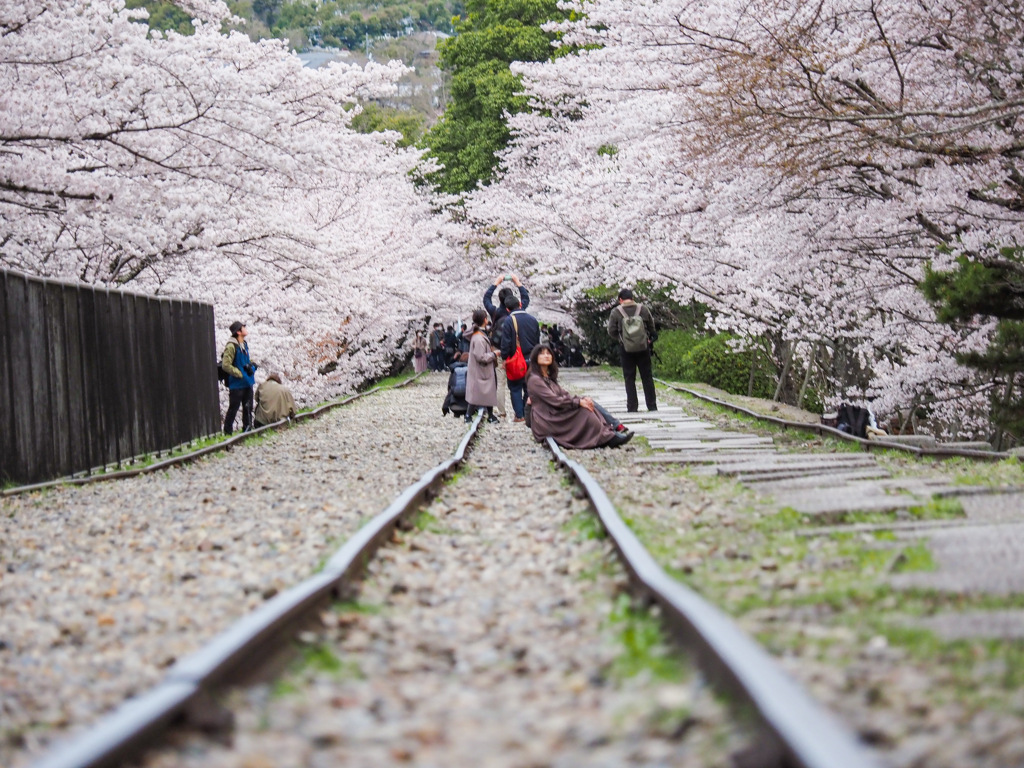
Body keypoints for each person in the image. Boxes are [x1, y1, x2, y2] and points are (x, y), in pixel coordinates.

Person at [525, 345, 633, 448]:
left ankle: (608, 434)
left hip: (553, 413)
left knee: (588, 403)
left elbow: (564, 394)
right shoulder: (535, 380)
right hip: (547, 420)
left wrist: (581, 400)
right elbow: (554, 400)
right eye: (542, 354)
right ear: (535, 358)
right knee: (584, 411)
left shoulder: (548, 378)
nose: (546, 356)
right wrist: (578, 402)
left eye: (548, 353)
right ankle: (606, 436)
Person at [484, 274, 530, 419]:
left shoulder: (495, 312)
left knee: (501, 381)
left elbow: (486, 299)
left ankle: (502, 411)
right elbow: (526, 298)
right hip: (518, 351)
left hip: (498, 351)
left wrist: (495, 283)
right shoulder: (519, 310)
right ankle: (521, 411)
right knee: (522, 381)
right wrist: (518, 282)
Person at [607, 288, 657, 412]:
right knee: (647, 377)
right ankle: (652, 406)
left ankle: (632, 407)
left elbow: (611, 331)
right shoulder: (643, 309)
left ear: (620, 300)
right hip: (643, 347)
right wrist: (648, 339)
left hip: (626, 349)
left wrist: (622, 339)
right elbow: (652, 327)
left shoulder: (616, 312)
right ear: (632, 298)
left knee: (629, 377)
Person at [500, 293, 540, 422]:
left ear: (507, 309)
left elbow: (505, 342)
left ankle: (519, 415)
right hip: (532, 357)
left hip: (516, 359)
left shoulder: (509, 321)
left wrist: (505, 358)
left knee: (515, 386)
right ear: (520, 304)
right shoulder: (533, 319)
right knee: (529, 386)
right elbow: (537, 339)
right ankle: (526, 411)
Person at [465, 309, 500, 423]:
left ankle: (487, 415)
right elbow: (480, 356)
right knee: (482, 392)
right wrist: (494, 354)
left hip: (480, 370)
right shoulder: (479, 338)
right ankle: (470, 415)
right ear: (485, 320)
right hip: (481, 369)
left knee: (483, 392)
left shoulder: (476, 335)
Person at [221, 321, 256, 434]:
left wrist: (252, 365)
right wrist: (239, 373)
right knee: (234, 408)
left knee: (248, 407)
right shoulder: (231, 346)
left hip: (248, 381)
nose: (245, 328)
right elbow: (226, 365)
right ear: (238, 332)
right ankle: (227, 431)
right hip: (237, 384)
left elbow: (246, 360)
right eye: (243, 327)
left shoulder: (244, 344)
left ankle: (247, 429)